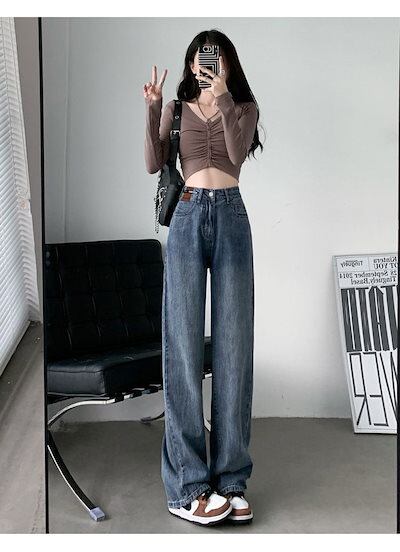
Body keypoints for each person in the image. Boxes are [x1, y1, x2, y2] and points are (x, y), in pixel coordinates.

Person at [143, 29, 263, 526]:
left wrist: (225, 98)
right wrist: (152, 109)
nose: (206, 65)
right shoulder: (176, 109)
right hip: (189, 215)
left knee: (234, 350)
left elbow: (234, 154)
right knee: (183, 349)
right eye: (199, 58)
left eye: (215, 58)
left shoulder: (244, 107)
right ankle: (188, 486)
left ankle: (231, 479)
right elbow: (154, 163)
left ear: (227, 64)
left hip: (231, 216)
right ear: (191, 65)